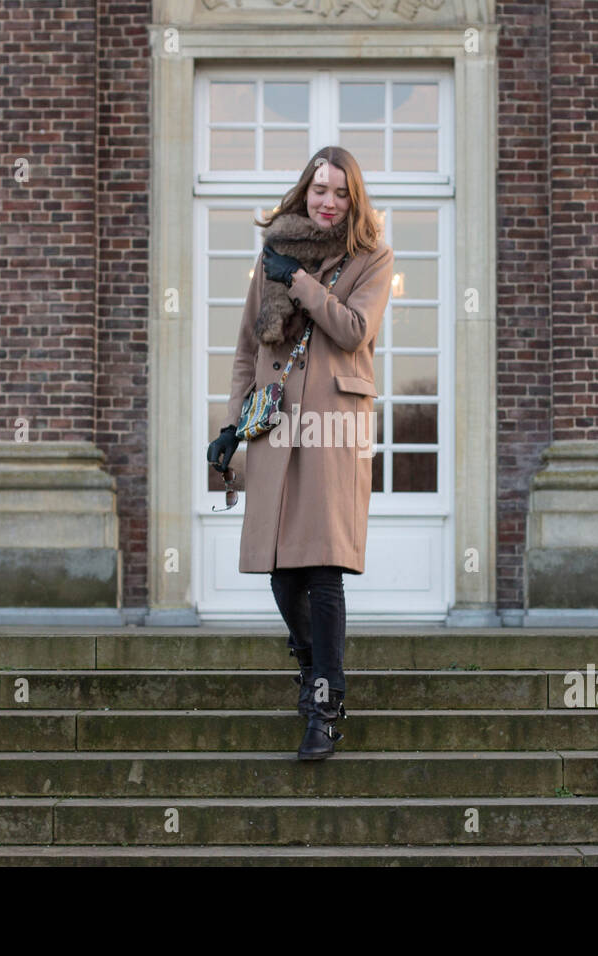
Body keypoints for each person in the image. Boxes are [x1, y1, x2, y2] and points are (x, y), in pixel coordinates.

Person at [206, 146, 395, 761]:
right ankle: (313, 664)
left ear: (353, 199)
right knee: (281, 571)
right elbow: (243, 353)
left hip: (333, 430)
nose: (327, 201)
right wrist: (231, 429)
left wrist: (300, 282)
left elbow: (352, 330)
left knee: (322, 567)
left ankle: (324, 707)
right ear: (303, 191)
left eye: (340, 192)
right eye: (318, 189)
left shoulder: (372, 258)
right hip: (273, 430)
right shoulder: (271, 258)